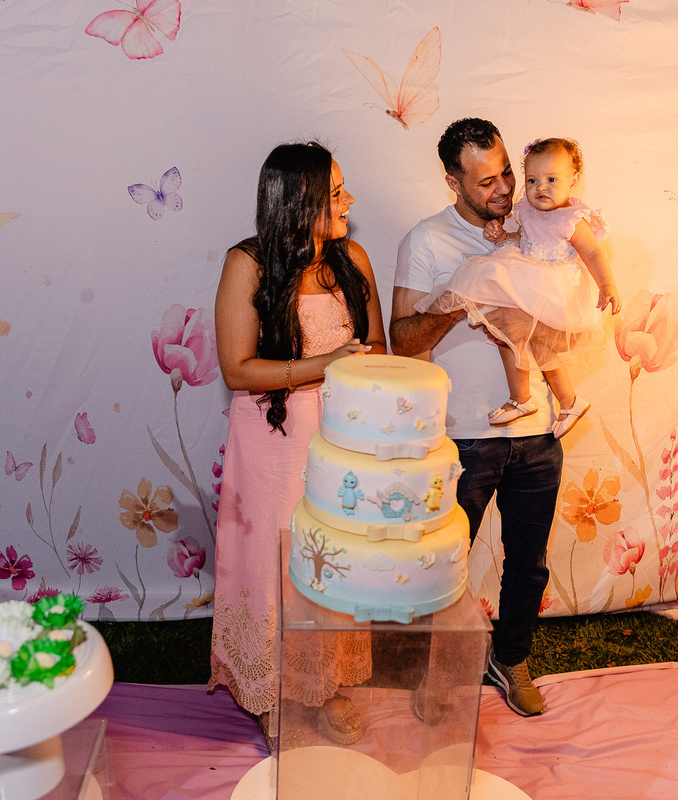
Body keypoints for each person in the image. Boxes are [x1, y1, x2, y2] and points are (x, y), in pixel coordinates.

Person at [208, 141, 387, 746]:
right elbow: (236, 370)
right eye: (336, 193)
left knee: (328, 564)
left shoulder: (353, 259)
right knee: (275, 565)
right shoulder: (248, 264)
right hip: (273, 440)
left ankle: (328, 683)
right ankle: (268, 690)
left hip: (342, 444)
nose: (349, 201)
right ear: (299, 199)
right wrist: (321, 364)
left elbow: (379, 353)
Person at [391, 118, 559, 717]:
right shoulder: (427, 241)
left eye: (507, 172)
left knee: (529, 564)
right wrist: (453, 302)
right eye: (486, 180)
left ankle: (510, 661)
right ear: (451, 180)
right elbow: (403, 341)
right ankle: (437, 672)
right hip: (463, 438)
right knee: (442, 563)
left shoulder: (534, 226)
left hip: (536, 430)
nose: (505, 189)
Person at [416, 137, 621, 439]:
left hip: (557, 287)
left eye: (552, 179)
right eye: (533, 180)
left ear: (573, 180)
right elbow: (525, 242)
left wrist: (607, 285)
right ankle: (562, 401)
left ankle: (525, 399)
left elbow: (592, 253)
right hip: (532, 277)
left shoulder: (572, 219)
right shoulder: (526, 209)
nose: (541, 188)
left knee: (520, 330)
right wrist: (501, 237)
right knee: (519, 336)